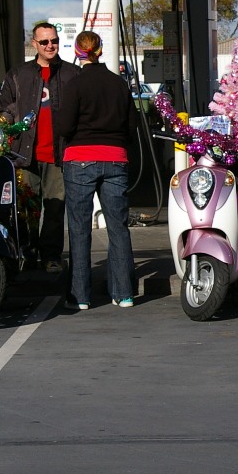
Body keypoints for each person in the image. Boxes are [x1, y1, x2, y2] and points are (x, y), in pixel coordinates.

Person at [54, 31, 138, 311]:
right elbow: (131, 125)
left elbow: (64, 127)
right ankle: (124, 294)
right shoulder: (119, 84)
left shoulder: (74, 85)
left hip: (79, 159)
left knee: (79, 228)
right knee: (118, 227)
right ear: (100, 50)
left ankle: (80, 296)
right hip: (115, 158)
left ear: (77, 52)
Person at [0, 21, 78, 272]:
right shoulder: (18, 74)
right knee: (26, 210)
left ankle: (51, 256)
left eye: (54, 40)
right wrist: (5, 127)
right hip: (24, 154)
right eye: (44, 42)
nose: (50, 45)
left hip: (58, 154)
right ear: (34, 44)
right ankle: (28, 255)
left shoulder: (72, 74)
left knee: (55, 208)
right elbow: (3, 109)